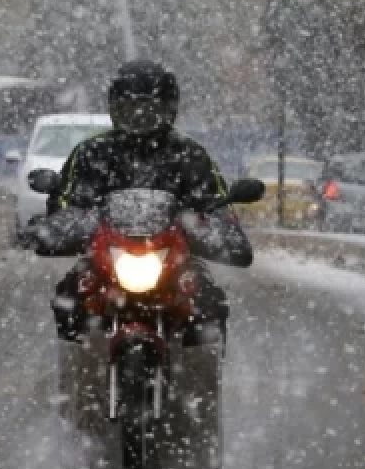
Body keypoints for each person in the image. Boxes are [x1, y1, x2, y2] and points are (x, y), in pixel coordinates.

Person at [38, 59, 253, 340]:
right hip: (107, 258)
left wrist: (221, 230)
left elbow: (215, 204)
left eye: (150, 109)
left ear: (169, 109)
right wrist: (54, 226)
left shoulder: (190, 154)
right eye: (131, 108)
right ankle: (76, 372)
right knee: (70, 297)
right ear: (115, 107)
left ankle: (201, 374)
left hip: (172, 261)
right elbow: (68, 201)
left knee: (208, 302)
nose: (140, 117)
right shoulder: (91, 153)